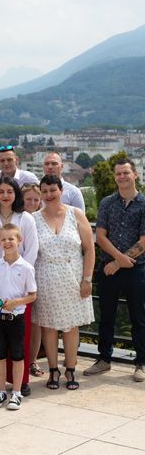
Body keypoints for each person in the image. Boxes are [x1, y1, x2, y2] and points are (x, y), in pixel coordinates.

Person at [0, 177, 38, 396]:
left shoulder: (26, 218)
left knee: (19, 337)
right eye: (1, 191)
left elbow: (31, 250)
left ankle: (20, 382)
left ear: (16, 194)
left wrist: (20, 277)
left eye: (9, 191)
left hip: (19, 288)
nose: (5, 195)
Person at [84, 158, 145, 382]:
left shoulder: (144, 204)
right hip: (108, 269)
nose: (121, 177)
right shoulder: (107, 203)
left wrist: (118, 262)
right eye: (118, 174)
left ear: (135, 174)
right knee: (106, 317)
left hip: (135, 270)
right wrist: (118, 260)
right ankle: (104, 360)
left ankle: (141, 363)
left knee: (139, 317)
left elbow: (144, 240)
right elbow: (100, 235)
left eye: (125, 173)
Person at [33, 175, 95, 390]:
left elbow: (89, 249)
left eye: (53, 190)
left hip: (73, 277)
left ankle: (70, 369)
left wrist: (87, 279)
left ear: (61, 190)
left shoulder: (76, 214)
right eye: (45, 191)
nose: (49, 195)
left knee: (71, 327)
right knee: (48, 327)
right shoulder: (33, 219)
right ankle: (53, 370)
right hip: (45, 278)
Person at [0, 224, 37, 410]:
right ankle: (1, 391)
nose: (7, 242)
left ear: (19, 241)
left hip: (16, 318)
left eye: (11, 239)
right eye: (3, 239)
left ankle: (16, 392)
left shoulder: (26, 268)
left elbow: (32, 295)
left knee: (17, 355)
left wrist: (15, 302)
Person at [21, 181, 43, 378]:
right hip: (17, 273)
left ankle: (32, 360)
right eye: (29, 199)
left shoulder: (42, 218)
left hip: (38, 274)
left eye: (37, 199)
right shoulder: (18, 217)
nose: (33, 202)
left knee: (35, 321)